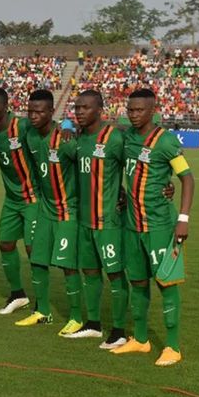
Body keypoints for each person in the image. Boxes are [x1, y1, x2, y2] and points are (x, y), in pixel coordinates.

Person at [111, 88, 194, 366]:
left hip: (159, 225)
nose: (134, 115)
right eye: (130, 110)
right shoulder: (126, 138)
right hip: (131, 225)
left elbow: (187, 178)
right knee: (137, 283)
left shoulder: (166, 141)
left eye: (139, 110)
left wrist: (183, 219)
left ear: (152, 110)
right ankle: (142, 340)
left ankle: (172, 346)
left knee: (166, 284)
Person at [61, 90, 130, 349]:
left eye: (85, 108)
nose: (79, 112)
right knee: (89, 271)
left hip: (108, 221)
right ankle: (92, 324)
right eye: (77, 107)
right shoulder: (77, 140)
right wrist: (66, 126)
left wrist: (124, 191)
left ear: (99, 110)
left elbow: (133, 167)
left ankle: (120, 329)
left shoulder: (114, 138)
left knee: (114, 274)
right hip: (84, 220)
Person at [14, 89, 84, 334]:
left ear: (51, 112)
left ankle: (76, 317)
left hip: (68, 211)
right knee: (37, 260)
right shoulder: (31, 135)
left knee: (68, 265)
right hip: (44, 209)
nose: (33, 116)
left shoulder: (65, 139)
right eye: (30, 111)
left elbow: (88, 169)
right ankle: (42, 312)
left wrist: (68, 124)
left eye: (39, 111)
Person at [0, 88, 40, 315]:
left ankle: (41, 303)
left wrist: (65, 128)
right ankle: (18, 294)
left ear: (6, 107)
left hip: (32, 198)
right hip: (12, 199)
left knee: (33, 249)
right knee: (5, 243)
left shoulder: (22, 126)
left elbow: (46, 125)